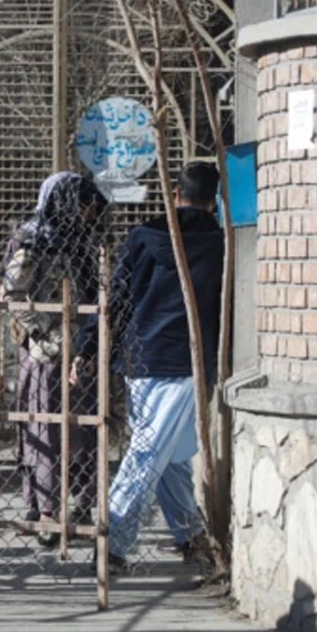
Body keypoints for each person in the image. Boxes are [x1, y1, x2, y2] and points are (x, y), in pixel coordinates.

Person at [76, 161, 224, 569]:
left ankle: (191, 535)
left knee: (169, 453)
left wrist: (88, 347)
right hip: (187, 357)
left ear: (176, 194)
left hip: (141, 357)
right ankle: (113, 544)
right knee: (150, 452)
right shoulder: (222, 243)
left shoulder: (144, 236)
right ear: (215, 202)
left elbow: (118, 298)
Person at [2, 172, 108, 547]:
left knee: (80, 428)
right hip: (45, 350)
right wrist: (47, 331)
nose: (87, 213)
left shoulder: (80, 239)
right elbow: (13, 293)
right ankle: (46, 509)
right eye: (81, 205)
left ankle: (79, 503)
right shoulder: (31, 240)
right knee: (45, 426)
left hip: (81, 351)